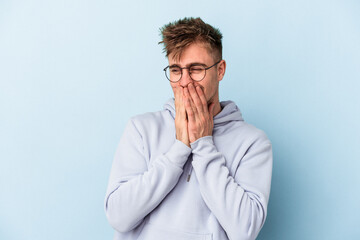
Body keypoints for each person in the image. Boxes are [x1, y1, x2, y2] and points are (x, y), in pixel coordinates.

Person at [104, 17, 273, 240]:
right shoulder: (141, 129)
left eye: (195, 69)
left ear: (220, 70)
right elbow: (118, 217)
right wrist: (179, 148)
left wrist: (203, 145)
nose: (184, 82)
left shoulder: (253, 143)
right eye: (176, 70)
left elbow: (244, 231)